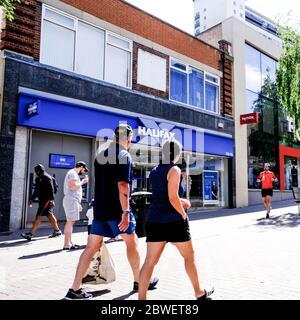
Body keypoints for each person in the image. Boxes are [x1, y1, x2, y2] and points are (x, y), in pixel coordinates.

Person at [64, 124, 158, 300]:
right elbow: (123, 185)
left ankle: (74, 289)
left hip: (100, 209)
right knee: (132, 242)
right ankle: (139, 281)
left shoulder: (100, 155)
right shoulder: (124, 155)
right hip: (117, 211)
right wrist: (126, 211)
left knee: (90, 248)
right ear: (128, 138)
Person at [138, 140, 214, 300]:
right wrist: (183, 213)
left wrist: (181, 201)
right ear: (176, 154)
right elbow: (172, 197)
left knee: (149, 262)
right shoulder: (174, 169)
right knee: (189, 256)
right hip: (173, 220)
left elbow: (164, 195)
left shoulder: (155, 170)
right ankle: (199, 292)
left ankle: (141, 299)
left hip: (154, 220)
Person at [21, 164, 62, 241]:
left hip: (46, 200)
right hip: (42, 200)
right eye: (36, 171)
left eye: (38, 171)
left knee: (38, 216)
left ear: (41, 170)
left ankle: (30, 234)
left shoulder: (47, 178)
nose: (37, 172)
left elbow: (51, 189)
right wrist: (32, 199)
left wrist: (52, 200)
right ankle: (57, 231)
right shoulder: (38, 179)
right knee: (50, 215)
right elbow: (37, 190)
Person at [62, 161, 89, 250]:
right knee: (70, 221)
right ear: (81, 167)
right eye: (84, 169)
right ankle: (66, 244)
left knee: (71, 221)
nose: (84, 171)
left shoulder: (72, 173)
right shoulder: (73, 173)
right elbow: (73, 187)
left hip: (72, 200)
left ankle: (69, 242)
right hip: (71, 200)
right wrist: (83, 182)